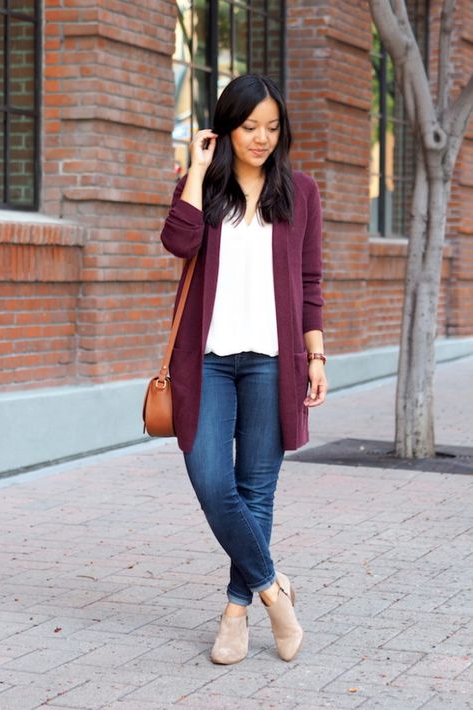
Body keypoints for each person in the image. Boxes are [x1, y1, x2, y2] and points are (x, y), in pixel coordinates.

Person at [160, 74, 327, 664]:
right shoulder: (202, 186)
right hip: (207, 362)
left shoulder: (300, 191)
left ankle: (236, 613)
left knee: (256, 489)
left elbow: (309, 283)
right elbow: (177, 245)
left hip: (272, 362)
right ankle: (274, 591)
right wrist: (198, 171)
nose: (261, 138)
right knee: (211, 479)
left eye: (272, 127)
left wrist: (316, 355)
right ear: (226, 127)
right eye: (249, 126)